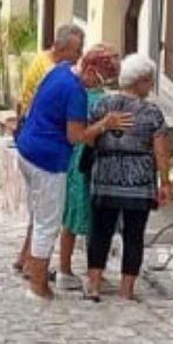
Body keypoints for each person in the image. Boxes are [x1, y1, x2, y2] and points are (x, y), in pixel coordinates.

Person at [16, 25, 131, 300]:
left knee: (38, 216)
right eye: (101, 79)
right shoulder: (76, 92)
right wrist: (105, 123)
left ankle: (34, 272)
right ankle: (38, 285)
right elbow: (76, 135)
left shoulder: (58, 71)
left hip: (27, 149)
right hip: (48, 160)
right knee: (48, 222)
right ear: (91, 69)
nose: (99, 86)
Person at [85, 53, 170, 302]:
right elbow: (161, 151)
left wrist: (103, 127)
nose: (151, 86)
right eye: (149, 81)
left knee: (100, 232)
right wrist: (165, 182)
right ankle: (126, 290)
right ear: (141, 81)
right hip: (139, 184)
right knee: (134, 235)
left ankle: (94, 285)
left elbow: (87, 138)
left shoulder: (102, 106)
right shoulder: (152, 113)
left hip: (105, 179)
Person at [14, 24, 83, 277]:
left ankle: (26, 260)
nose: (79, 56)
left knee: (37, 214)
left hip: (30, 141)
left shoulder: (44, 62)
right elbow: (72, 130)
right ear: (62, 47)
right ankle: (36, 273)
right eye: (76, 50)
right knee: (45, 218)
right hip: (45, 149)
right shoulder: (56, 71)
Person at [56, 46, 120, 291]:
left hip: (76, 160)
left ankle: (67, 270)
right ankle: (87, 272)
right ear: (92, 71)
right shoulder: (93, 99)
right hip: (86, 160)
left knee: (75, 217)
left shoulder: (77, 92)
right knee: (87, 217)